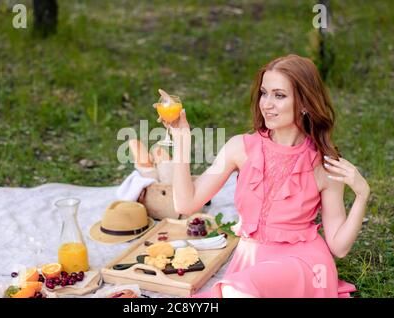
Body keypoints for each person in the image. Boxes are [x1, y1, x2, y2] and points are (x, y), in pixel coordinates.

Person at [156, 54, 370, 298]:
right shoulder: (239, 148)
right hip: (250, 262)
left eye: (279, 95)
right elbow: (186, 203)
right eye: (264, 93)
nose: (266, 104)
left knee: (238, 291)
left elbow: (339, 247)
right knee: (237, 290)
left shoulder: (323, 165)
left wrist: (362, 195)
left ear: (304, 103)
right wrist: (182, 141)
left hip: (303, 264)